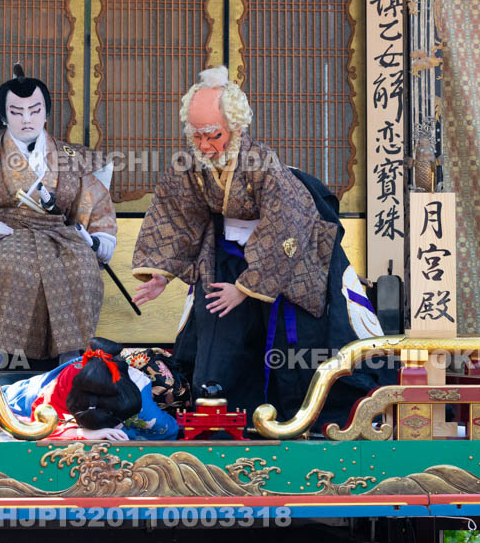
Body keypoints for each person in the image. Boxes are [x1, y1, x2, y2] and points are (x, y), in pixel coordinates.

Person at [131, 65, 392, 427]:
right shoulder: (193, 165)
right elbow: (177, 214)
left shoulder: (264, 166)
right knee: (219, 340)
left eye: (213, 135)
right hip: (227, 258)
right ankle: (225, 421)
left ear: (236, 127)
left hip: (290, 260)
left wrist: (246, 288)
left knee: (295, 349)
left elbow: (288, 225)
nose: (204, 146)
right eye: (197, 136)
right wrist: (162, 272)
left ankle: (303, 421)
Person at [0, 64, 118, 363]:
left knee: (80, 263)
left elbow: (94, 202)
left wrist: (94, 238)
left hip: (60, 234)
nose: (26, 119)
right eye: (16, 112)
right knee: (8, 263)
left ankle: (71, 355)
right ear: (3, 116)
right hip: (7, 232)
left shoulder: (72, 158)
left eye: (35, 111)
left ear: (46, 113)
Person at [3, 337, 179, 441]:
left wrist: (119, 430)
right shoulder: (67, 379)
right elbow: (38, 424)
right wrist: (83, 433)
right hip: (22, 400)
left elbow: (169, 432)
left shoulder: (139, 400)